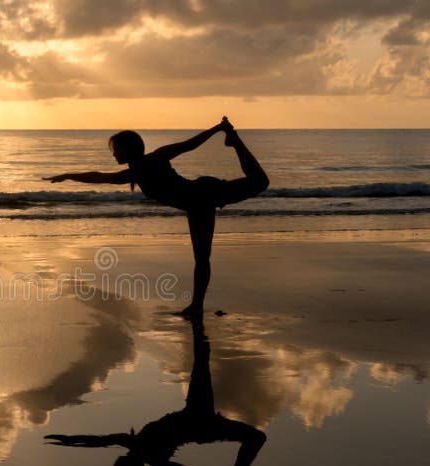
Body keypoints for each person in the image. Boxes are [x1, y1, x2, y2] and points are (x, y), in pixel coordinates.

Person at [44, 117, 269, 317]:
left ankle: (234, 139)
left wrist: (218, 128)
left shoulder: (153, 160)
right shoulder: (137, 170)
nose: (114, 154)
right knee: (202, 257)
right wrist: (69, 175)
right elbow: (100, 177)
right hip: (198, 203)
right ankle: (196, 306)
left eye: (116, 149)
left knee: (260, 182)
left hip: (202, 196)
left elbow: (189, 145)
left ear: (128, 149)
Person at [45, 318, 266, 466]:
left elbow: (94, 441)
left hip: (199, 422)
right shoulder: (147, 455)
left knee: (254, 436)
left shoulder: (136, 447)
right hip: (199, 420)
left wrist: (66, 439)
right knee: (202, 364)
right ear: (124, 464)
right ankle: (199, 323)